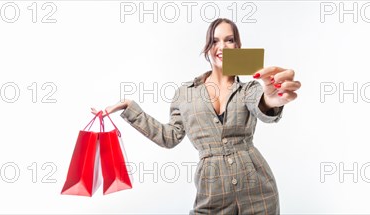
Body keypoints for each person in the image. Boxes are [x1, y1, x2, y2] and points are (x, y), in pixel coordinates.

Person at [91, 18, 301, 214]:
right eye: (215, 40)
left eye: (229, 40)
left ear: (238, 47)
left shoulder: (249, 89)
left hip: (258, 187)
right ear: (207, 48)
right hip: (211, 189)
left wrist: (273, 100)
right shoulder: (185, 94)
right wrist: (129, 107)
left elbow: (264, 105)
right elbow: (169, 137)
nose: (222, 47)